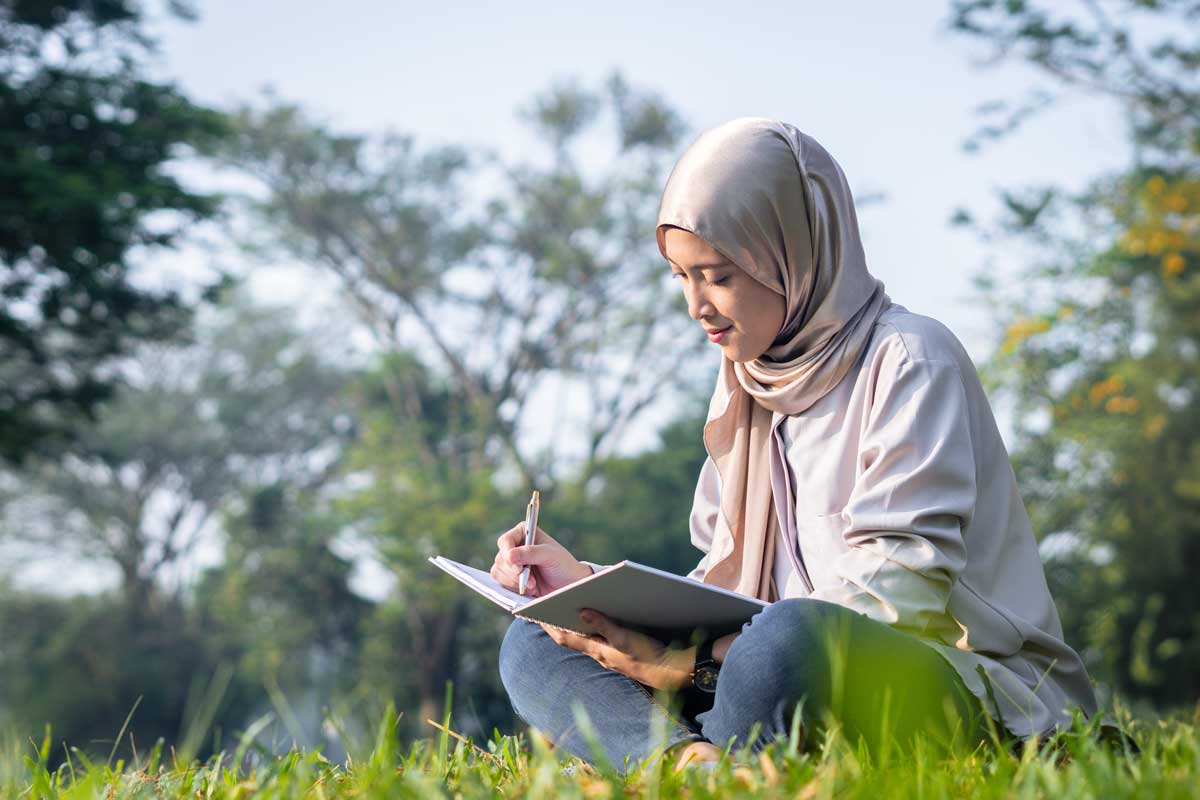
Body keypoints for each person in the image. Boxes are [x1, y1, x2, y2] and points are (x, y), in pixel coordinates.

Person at [490, 117, 1099, 773]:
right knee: (533, 642)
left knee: (787, 640)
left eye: (718, 275)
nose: (697, 304)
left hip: (943, 681)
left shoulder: (910, 359)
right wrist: (586, 596)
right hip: (747, 672)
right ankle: (696, 768)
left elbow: (897, 599)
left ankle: (692, 753)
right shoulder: (747, 382)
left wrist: (691, 665)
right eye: (681, 277)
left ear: (793, 253)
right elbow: (727, 586)